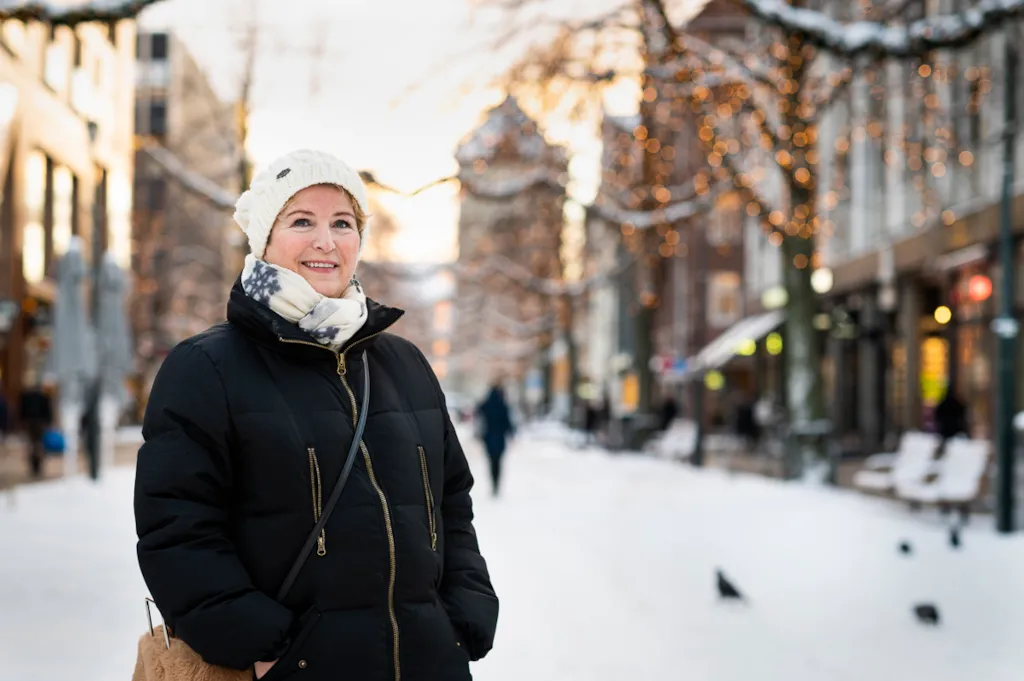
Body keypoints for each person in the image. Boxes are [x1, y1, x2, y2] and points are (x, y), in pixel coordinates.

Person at [134, 150, 498, 681]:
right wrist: (260, 641)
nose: (326, 240)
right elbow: (177, 528)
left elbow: (451, 504)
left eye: (343, 223)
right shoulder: (206, 367)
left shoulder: (404, 363)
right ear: (265, 239)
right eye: (302, 220)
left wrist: (464, 612)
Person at [476, 382, 515, 496]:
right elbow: (507, 422)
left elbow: (478, 411)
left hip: (488, 438)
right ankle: (496, 483)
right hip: (500, 439)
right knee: (498, 462)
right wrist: (512, 434)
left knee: (491, 461)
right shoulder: (503, 405)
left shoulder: (486, 404)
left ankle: (493, 482)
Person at [19, 381, 52, 478]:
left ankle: (33, 465)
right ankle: (38, 465)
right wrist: (48, 423)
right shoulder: (44, 397)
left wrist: (22, 421)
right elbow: (48, 411)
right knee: (38, 445)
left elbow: (22, 410)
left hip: (30, 423)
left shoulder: (26, 396)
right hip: (40, 423)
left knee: (32, 444)